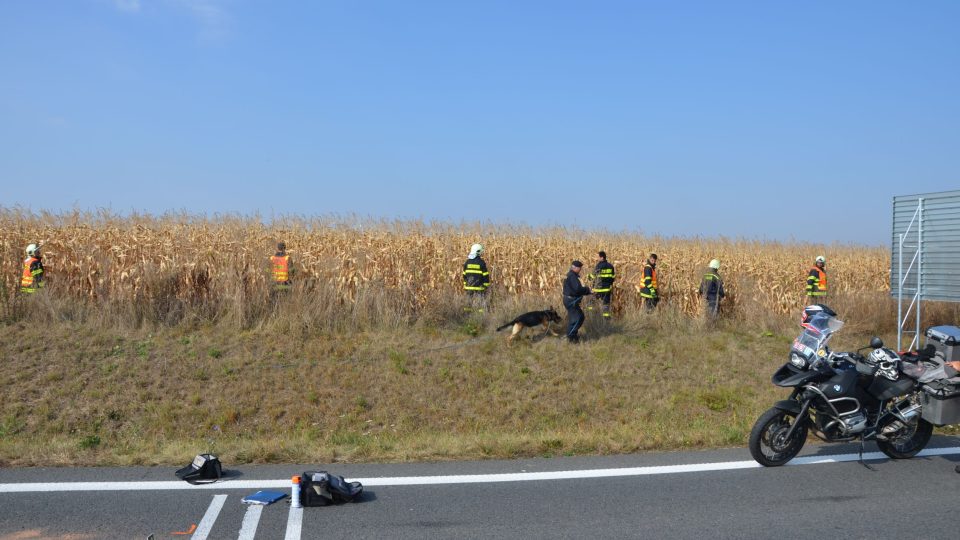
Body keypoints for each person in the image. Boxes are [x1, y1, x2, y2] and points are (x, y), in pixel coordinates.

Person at [562, 260, 592, 343]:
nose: (580, 269)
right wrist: (588, 290)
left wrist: (586, 291)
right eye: (579, 268)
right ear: (575, 268)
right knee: (578, 318)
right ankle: (571, 337)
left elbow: (576, 289)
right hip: (571, 300)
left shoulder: (571, 275)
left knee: (576, 318)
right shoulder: (572, 276)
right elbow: (577, 289)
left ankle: (572, 336)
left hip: (569, 300)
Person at [463, 243, 491, 312]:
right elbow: (485, 275)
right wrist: (486, 285)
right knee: (481, 302)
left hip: (469, 286)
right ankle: (481, 316)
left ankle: (467, 315)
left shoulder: (467, 262)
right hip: (479, 287)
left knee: (468, 303)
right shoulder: (481, 262)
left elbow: (464, 274)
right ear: (478, 252)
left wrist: (465, 284)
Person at [587, 251, 616, 319]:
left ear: (602, 257)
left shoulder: (598, 266)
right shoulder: (611, 266)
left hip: (598, 289)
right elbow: (613, 277)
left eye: (598, 257)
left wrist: (588, 276)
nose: (597, 258)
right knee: (606, 305)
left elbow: (592, 277)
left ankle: (590, 316)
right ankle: (606, 318)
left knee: (591, 303)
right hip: (607, 289)